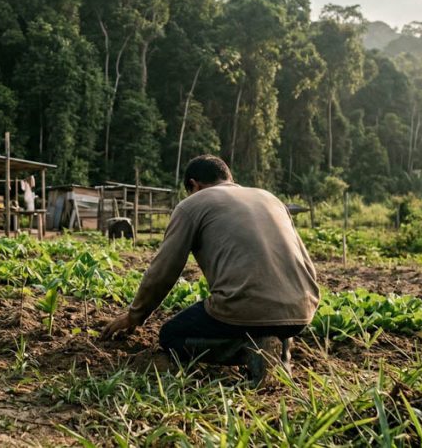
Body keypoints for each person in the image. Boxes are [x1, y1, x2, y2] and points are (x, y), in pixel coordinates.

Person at [101, 155, 319, 384]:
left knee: (171, 336)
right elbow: (305, 261)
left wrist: (136, 315)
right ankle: (280, 349)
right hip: (302, 311)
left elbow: (164, 269)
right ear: (229, 179)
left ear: (194, 185)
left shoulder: (193, 204)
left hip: (245, 308)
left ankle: (250, 350)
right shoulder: (271, 199)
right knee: (262, 318)